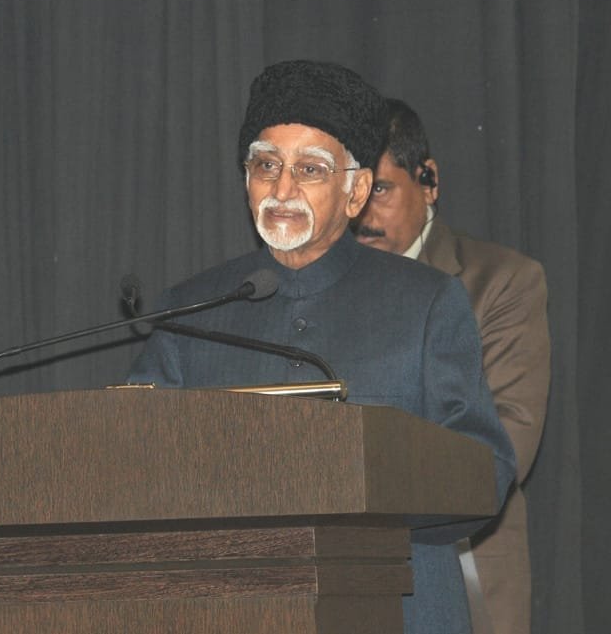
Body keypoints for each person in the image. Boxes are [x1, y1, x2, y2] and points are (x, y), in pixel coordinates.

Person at [128, 60, 515, 634]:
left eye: (309, 169)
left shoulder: (426, 302)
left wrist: (354, 477)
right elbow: (129, 462)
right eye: (266, 165)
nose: (282, 189)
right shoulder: (190, 309)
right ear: (246, 177)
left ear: (356, 189)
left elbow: (486, 472)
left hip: (398, 609)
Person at [352, 98, 550, 634]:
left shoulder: (501, 281)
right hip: (345, 574)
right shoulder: (329, 286)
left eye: (382, 191)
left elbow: (506, 442)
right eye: (354, 194)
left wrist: (359, 482)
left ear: (429, 180)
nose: (364, 216)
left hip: (464, 570)